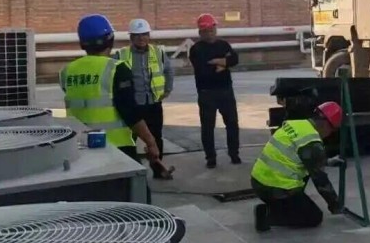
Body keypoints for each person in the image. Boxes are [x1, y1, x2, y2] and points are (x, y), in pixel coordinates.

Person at [60, 14, 173, 179]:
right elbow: (129, 112)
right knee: (134, 191)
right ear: (110, 39)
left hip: (81, 145)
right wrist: (150, 142)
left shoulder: (67, 71)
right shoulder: (116, 68)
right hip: (116, 145)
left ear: (82, 43)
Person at [251, 102, 345, 230]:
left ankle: (278, 207)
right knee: (314, 217)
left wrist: (326, 161)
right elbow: (320, 180)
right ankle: (268, 217)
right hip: (276, 189)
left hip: (258, 182)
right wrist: (335, 205)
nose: (330, 134)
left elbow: (302, 156)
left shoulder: (297, 124)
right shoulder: (312, 142)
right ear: (326, 124)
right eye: (333, 130)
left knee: (305, 173)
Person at [112, 18, 174, 179]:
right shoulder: (121, 55)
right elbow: (112, 77)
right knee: (129, 139)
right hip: (133, 105)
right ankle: (130, 172)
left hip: (153, 103)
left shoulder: (158, 52)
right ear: (131, 37)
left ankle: (158, 170)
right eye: (137, 35)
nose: (141, 38)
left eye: (144, 34)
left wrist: (167, 89)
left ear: (149, 35)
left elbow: (169, 70)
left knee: (156, 138)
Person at [188, 13, 241, 168]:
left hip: (226, 90)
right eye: (206, 31)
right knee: (207, 127)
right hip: (207, 93)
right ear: (200, 32)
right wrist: (225, 63)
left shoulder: (223, 45)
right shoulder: (196, 49)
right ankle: (210, 157)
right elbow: (203, 70)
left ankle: (234, 153)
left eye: (212, 30)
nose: (210, 34)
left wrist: (221, 62)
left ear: (215, 30)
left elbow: (235, 59)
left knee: (232, 123)